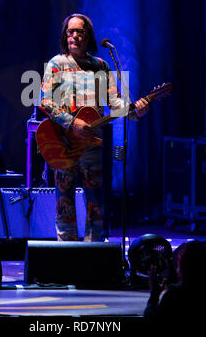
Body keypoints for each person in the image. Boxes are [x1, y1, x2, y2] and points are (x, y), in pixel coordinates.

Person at [40, 13, 149, 242]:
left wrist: (135, 110)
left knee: (95, 200)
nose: (75, 36)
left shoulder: (101, 66)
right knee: (64, 200)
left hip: (92, 144)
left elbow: (114, 101)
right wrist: (72, 122)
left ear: (88, 36)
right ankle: (66, 253)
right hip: (64, 142)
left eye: (80, 32)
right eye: (71, 32)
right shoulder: (56, 64)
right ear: (65, 35)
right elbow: (46, 102)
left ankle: (93, 252)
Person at [144, 240, 206, 322]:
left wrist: (153, 295)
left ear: (186, 267)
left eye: (180, 261)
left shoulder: (175, 295)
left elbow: (150, 318)